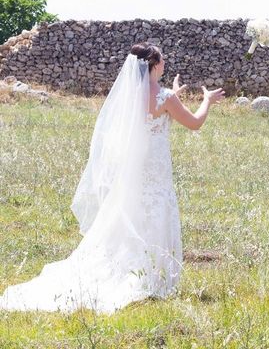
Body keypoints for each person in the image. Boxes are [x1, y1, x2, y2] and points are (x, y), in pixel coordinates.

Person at [0, 43, 225, 314]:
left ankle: (129, 266)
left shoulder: (131, 96)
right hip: (156, 169)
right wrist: (207, 101)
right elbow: (195, 123)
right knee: (156, 210)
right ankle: (153, 275)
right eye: (162, 59)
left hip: (135, 168)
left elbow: (149, 113)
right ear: (154, 64)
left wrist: (174, 95)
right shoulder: (164, 97)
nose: (165, 63)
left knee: (132, 212)